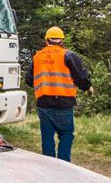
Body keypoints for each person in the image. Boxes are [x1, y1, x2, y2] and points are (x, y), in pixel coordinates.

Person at [25, 26, 93, 162]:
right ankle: (63, 165)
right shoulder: (68, 55)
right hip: (64, 102)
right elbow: (80, 76)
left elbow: (29, 80)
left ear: (46, 40)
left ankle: (49, 166)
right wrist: (87, 87)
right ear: (62, 41)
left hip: (44, 102)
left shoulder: (37, 57)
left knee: (47, 137)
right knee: (66, 134)